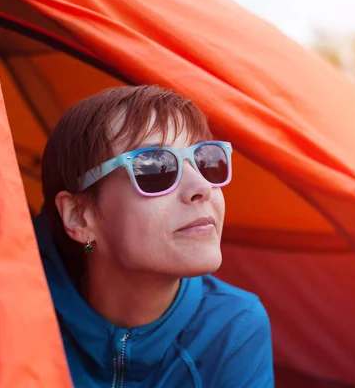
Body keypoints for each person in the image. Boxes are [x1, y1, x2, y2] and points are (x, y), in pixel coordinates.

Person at [34, 85, 274, 387]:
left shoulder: (233, 327)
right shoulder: (19, 308)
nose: (201, 186)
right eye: (155, 167)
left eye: (205, 160)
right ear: (79, 216)